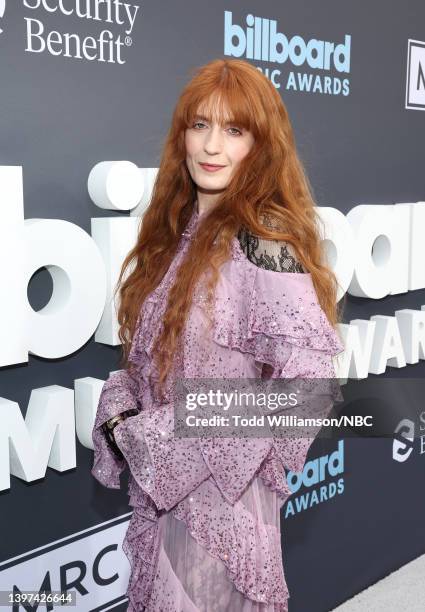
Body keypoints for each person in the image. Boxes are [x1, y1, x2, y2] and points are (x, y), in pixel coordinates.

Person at [91, 58, 345, 612]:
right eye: (199, 125)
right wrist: (120, 412)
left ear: (260, 145)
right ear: (181, 134)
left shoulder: (263, 244)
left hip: (223, 510)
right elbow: (145, 369)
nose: (212, 145)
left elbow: (309, 389)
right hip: (162, 510)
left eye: (234, 130)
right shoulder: (170, 238)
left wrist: (168, 431)